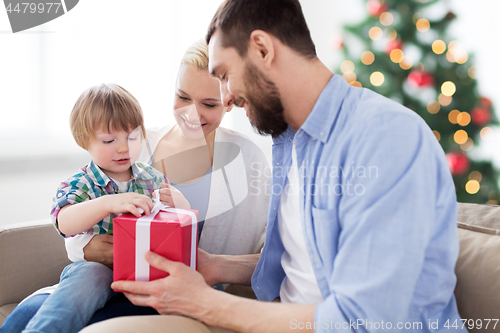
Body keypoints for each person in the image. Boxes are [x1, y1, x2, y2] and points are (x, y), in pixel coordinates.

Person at [81, 0, 466, 332]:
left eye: (225, 76)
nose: (226, 98)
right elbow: (303, 267)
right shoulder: (289, 141)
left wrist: (206, 303)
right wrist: (212, 266)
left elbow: (363, 320)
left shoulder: (384, 137)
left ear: (262, 49)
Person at [2, 40, 270, 331]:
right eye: (182, 96)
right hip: (104, 280)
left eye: (208, 104)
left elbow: (266, 251)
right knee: (29, 312)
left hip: (167, 296)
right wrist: (88, 248)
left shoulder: (247, 163)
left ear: (230, 101)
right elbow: (75, 222)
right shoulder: (134, 142)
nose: (192, 114)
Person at [0, 83, 189, 333]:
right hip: (98, 271)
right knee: (91, 275)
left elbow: (175, 225)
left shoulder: (152, 178)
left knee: (200, 284)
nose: (123, 147)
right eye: (109, 140)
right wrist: (106, 203)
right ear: (84, 141)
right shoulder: (81, 183)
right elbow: (64, 222)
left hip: (145, 272)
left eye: (132, 137)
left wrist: (182, 206)